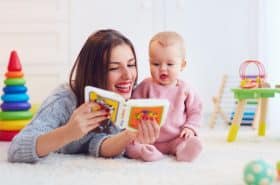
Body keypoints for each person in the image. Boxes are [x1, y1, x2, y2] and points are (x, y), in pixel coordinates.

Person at [7, 29, 160, 163]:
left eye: (131, 65)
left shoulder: (132, 100)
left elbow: (98, 145)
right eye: (114, 68)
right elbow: (16, 149)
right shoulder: (65, 99)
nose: (128, 75)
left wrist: (129, 135)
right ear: (94, 71)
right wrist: (68, 132)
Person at [126, 31, 203, 162]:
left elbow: (196, 110)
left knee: (185, 140)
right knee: (129, 146)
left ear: (182, 65)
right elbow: (132, 107)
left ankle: (183, 151)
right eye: (156, 64)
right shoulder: (145, 86)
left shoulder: (184, 89)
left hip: (175, 137)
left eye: (170, 64)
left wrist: (190, 127)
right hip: (148, 138)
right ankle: (147, 152)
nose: (162, 69)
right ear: (149, 62)